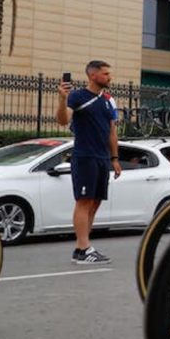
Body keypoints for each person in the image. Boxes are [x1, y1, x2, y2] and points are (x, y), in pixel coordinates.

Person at [56, 61, 121, 264]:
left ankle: (82, 247)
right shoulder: (77, 96)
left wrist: (115, 158)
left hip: (102, 159)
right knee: (83, 201)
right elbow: (63, 120)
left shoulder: (108, 100)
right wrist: (62, 99)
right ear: (93, 75)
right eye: (105, 73)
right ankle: (84, 249)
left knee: (95, 202)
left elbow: (112, 130)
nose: (109, 77)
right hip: (85, 157)